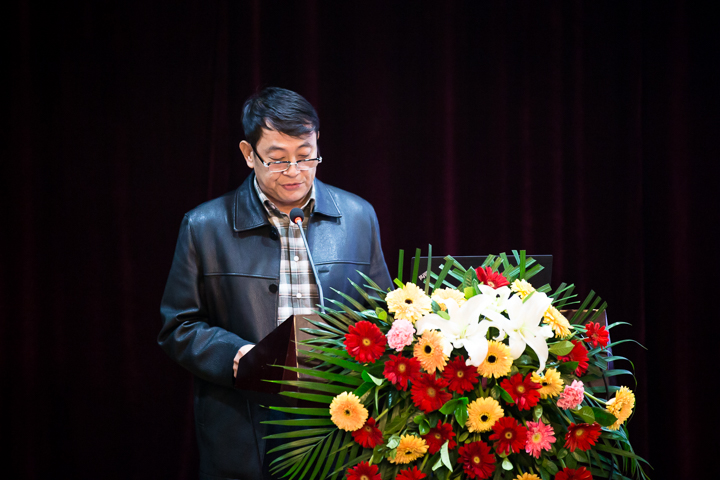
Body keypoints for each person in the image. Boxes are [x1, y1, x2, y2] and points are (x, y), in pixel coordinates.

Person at [158, 87, 392, 480]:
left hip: (339, 415)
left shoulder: (357, 216)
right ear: (249, 154)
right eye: (278, 159)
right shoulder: (204, 226)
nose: (295, 171)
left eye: (306, 155)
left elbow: (382, 313)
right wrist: (236, 355)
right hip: (246, 417)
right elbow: (178, 326)